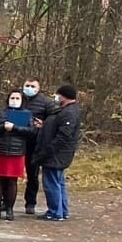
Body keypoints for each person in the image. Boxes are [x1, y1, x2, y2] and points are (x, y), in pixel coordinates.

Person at [0, 88, 35, 220]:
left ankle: (9, 209)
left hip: (16, 151)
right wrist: (3, 127)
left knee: (12, 181)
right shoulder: (0, 112)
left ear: (22, 100)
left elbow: (31, 131)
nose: (14, 101)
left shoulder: (27, 114)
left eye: (17, 98)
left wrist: (15, 128)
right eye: (12, 98)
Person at [36, 83, 81, 221]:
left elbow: (63, 135)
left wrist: (49, 150)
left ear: (64, 96)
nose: (56, 98)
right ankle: (62, 210)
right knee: (58, 182)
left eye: (58, 95)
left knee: (52, 183)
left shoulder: (69, 113)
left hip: (57, 154)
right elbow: (57, 127)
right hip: (60, 153)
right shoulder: (66, 111)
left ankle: (55, 212)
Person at [19, 78, 55, 214]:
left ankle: (30, 203)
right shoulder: (18, 98)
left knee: (32, 175)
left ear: (38, 88)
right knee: (10, 174)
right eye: (27, 85)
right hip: (16, 141)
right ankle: (6, 202)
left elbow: (55, 119)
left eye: (32, 86)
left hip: (34, 143)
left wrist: (44, 124)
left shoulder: (46, 102)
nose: (29, 88)